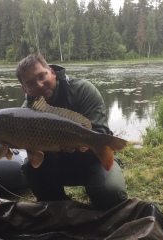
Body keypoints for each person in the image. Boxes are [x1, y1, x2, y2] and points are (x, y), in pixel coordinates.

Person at [16, 53, 127, 211]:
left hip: (91, 159)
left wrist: (76, 144)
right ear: (24, 89)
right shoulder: (25, 111)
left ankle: (99, 199)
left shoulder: (83, 89)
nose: (39, 85)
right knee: (30, 168)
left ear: (52, 72)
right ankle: (59, 208)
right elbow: (29, 149)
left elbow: (99, 130)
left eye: (42, 76)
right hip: (56, 165)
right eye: (31, 83)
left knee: (111, 194)